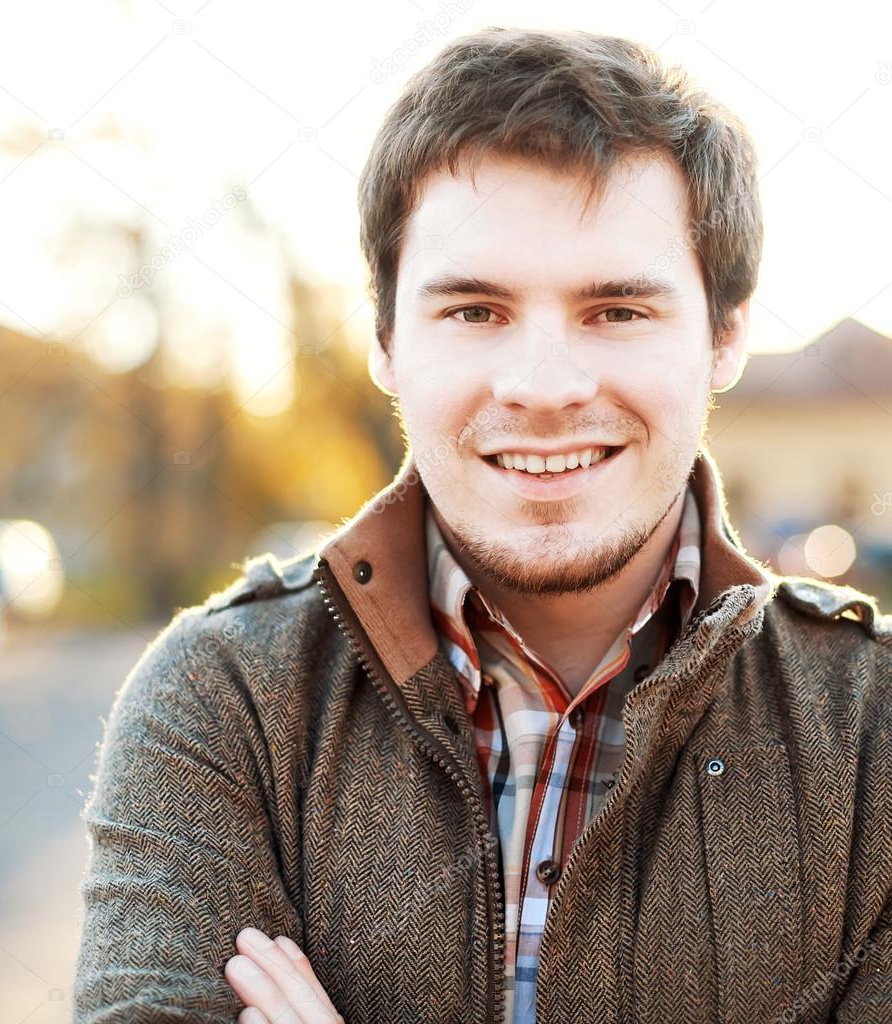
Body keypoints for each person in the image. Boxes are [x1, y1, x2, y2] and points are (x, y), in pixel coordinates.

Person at [73, 26, 892, 1024]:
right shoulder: (224, 702)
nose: (542, 387)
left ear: (725, 336)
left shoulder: (875, 732)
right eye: (474, 311)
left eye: (616, 311)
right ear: (385, 338)